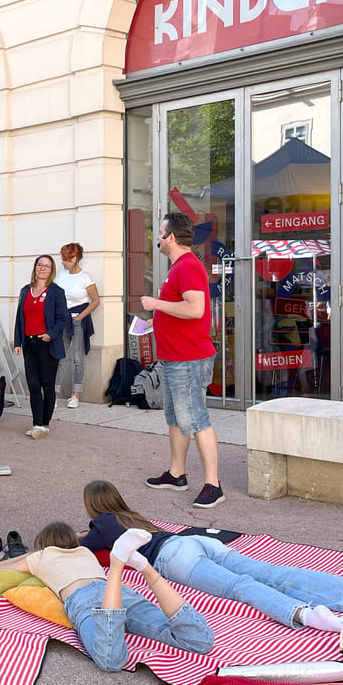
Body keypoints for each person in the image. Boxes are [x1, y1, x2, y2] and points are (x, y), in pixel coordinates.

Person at [79, 480, 343, 631]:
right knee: (271, 572)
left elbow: (78, 550)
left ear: (93, 507)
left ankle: (302, 614)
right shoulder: (128, 516)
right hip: (193, 541)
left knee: (241, 587)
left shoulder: (103, 523)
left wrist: (83, 534)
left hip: (174, 558)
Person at [0, 521, 214, 672]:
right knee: (198, 641)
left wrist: (26, 555)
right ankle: (145, 569)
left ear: (43, 544)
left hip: (84, 599)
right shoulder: (84, 551)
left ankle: (116, 567)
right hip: (119, 592)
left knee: (110, 660)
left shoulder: (41, 556)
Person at [140, 213, 224, 509]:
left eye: (160, 233)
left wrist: (156, 304)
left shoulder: (187, 267)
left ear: (171, 237)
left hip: (189, 359)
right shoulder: (180, 267)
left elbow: (196, 309)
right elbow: (183, 310)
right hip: (177, 357)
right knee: (176, 419)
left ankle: (213, 484)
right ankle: (176, 474)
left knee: (197, 419)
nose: (158, 239)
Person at [12, 254, 69, 438]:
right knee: (33, 385)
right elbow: (20, 318)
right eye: (40, 265)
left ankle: (45, 423)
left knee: (47, 385)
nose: (43, 268)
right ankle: (37, 423)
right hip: (29, 344)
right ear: (35, 267)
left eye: (47, 266)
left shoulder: (56, 292)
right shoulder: (25, 290)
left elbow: (63, 319)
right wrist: (17, 341)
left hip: (47, 344)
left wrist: (50, 334)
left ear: (51, 271)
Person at [57, 243, 100, 409]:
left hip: (77, 321)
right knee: (59, 357)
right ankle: (53, 393)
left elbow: (95, 301)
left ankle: (75, 395)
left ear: (74, 259)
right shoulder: (61, 276)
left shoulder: (85, 278)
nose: (63, 262)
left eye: (65, 259)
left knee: (77, 358)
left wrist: (79, 318)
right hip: (62, 320)